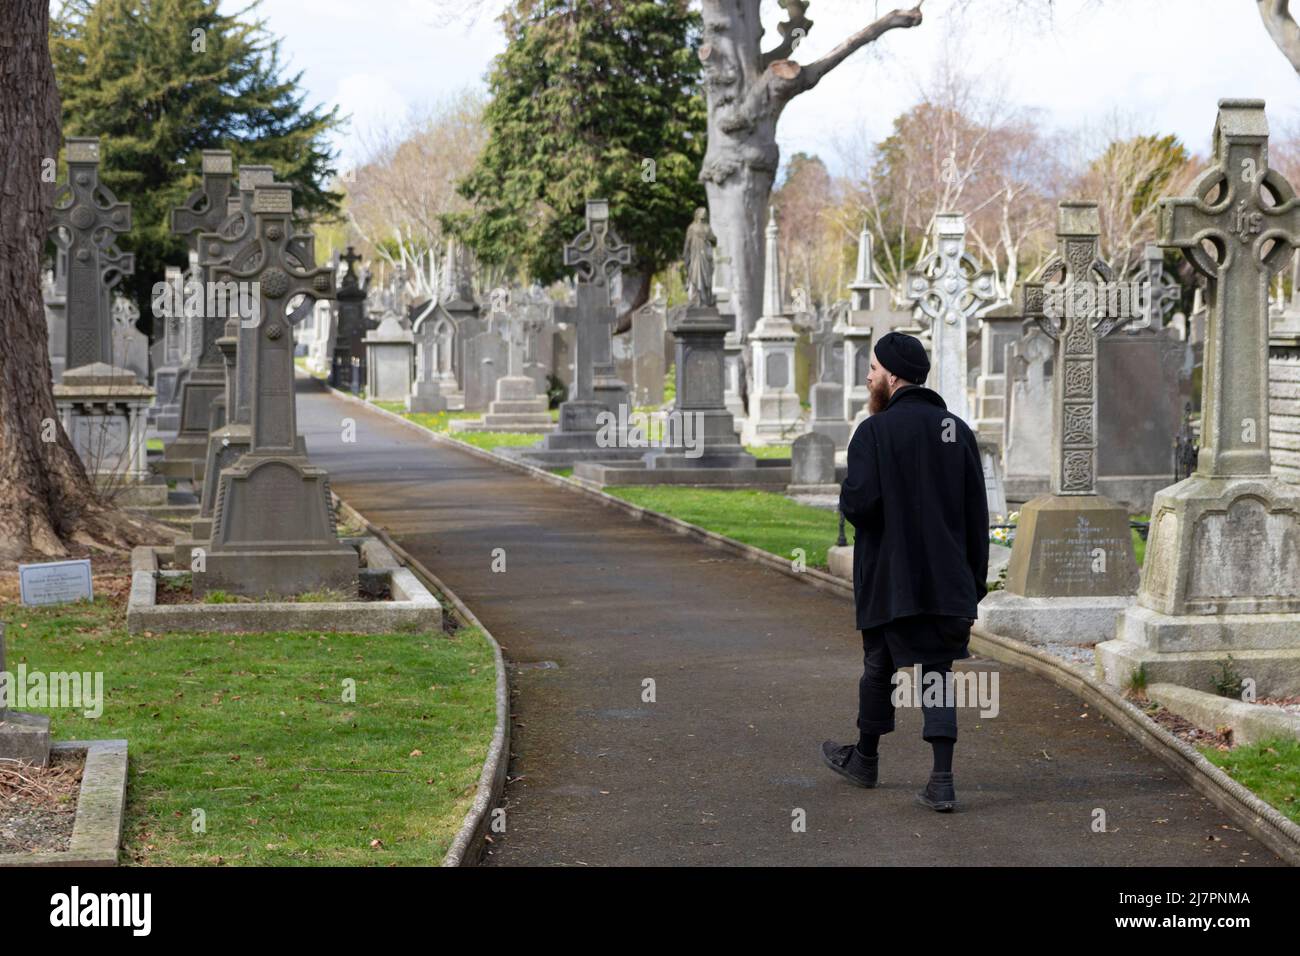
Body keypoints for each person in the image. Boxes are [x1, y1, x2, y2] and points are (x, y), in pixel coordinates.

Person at [822, 331, 989, 812]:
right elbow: (976, 516)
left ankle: (866, 760)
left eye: (873, 368)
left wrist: (850, 489)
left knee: (879, 667)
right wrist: (972, 585)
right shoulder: (956, 431)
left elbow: (862, 506)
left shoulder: (873, 432)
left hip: (890, 583)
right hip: (947, 583)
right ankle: (941, 780)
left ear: (892, 375)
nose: (868, 376)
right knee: (936, 672)